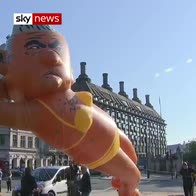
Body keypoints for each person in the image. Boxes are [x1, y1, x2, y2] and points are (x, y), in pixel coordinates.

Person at [0, 25, 141, 195]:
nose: (51, 56)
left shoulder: (64, 91)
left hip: (111, 127)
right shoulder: (35, 112)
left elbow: (37, 20)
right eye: (34, 47)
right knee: (133, 177)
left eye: (55, 48)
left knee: (133, 159)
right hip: (100, 149)